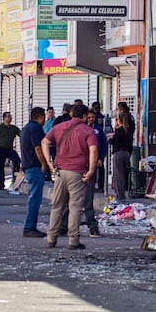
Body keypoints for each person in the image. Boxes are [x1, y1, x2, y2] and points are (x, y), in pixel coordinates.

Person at [42, 104, 98, 250]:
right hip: (77, 173)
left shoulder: (59, 127)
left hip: (60, 172)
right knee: (75, 207)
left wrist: (49, 163)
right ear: (84, 116)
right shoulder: (88, 131)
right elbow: (93, 150)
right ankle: (73, 240)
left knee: (57, 206)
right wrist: (91, 170)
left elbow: (44, 142)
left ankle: (51, 238)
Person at [20, 107, 49, 238]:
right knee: (35, 199)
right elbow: (38, 147)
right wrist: (44, 163)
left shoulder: (26, 128)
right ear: (40, 116)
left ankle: (30, 226)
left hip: (27, 166)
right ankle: (30, 227)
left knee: (34, 198)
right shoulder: (36, 129)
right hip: (34, 166)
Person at [0, 111, 22, 191]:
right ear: (4, 118)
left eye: (10, 116)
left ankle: (15, 179)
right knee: (0, 167)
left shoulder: (13, 128)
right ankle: (1, 185)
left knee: (17, 160)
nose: (9, 118)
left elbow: (21, 134)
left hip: (9, 149)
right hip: (0, 149)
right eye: (8, 116)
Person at [109, 112, 133, 200]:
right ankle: (122, 193)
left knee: (118, 175)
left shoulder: (119, 130)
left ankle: (120, 195)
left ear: (119, 120)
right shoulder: (129, 130)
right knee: (123, 174)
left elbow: (114, 141)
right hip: (126, 153)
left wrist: (110, 139)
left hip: (118, 153)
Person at [91, 101, 108, 193]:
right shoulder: (85, 127)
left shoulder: (98, 128)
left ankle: (100, 186)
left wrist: (101, 157)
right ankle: (95, 186)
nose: (91, 119)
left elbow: (103, 142)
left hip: (98, 152)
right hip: (90, 154)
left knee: (100, 169)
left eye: (92, 117)